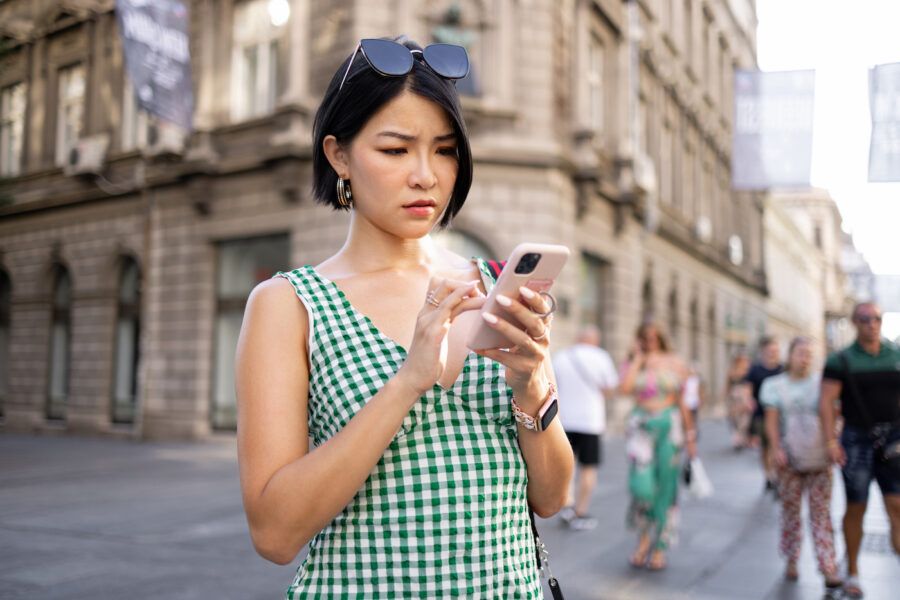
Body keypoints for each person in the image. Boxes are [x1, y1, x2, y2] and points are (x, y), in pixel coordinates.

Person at [234, 37, 574, 598]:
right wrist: (407, 382)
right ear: (338, 155)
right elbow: (274, 532)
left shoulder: (493, 284)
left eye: (444, 149)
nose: (426, 175)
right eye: (396, 150)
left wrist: (531, 385)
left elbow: (551, 498)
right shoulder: (289, 304)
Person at [820, 302, 900, 599]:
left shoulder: (895, 355)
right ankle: (852, 571)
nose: (872, 324)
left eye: (877, 318)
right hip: (856, 440)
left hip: (894, 439)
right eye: (865, 319)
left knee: (897, 506)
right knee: (856, 507)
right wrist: (830, 441)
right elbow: (826, 402)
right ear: (855, 322)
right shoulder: (840, 360)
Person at [761, 337, 841, 590]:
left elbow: (835, 416)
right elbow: (771, 421)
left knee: (821, 513)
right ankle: (791, 558)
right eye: (800, 353)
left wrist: (832, 444)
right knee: (790, 512)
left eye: (809, 354)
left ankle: (828, 565)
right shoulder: (774, 385)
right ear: (790, 355)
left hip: (819, 457)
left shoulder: (823, 385)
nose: (805, 358)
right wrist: (776, 449)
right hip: (790, 458)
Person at [619, 322, 697, 571]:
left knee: (665, 488)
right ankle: (643, 539)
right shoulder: (634, 361)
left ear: (661, 338)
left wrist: (691, 435)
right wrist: (638, 360)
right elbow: (625, 389)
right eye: (645, 337)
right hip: (641, 427)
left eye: (654, 337)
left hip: (669, 427)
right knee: (641, 488)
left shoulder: (675, 362)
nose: (650, 340)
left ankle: (660, 545)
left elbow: (684, 401)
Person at [553, 325, 620, 530]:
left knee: (566, 467)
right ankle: (580, 511)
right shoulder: (601, 357)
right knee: (588, 469)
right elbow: (610, 389)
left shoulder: (561, 356)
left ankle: (566, 507)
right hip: (590, 421)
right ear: (595, 340)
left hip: (564, 420)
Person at [743, 336, 784, 492]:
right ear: (764, 351)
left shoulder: (782, 369)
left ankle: (777, 473)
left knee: (778, 445)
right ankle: (768, 475)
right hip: (761, 413)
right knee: (765, 447)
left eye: (776, 351)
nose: (773, 353)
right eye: (770, 351)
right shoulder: (756, 369)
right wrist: (748, 400)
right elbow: (747, 387)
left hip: (780, 415)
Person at [726, 351, 753, 450]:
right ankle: (737, 437)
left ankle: (742, 438)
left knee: (745, 419)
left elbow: (750, 386)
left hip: (744, 396)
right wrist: (727, 398)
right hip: (734, 398)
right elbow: (727, 386)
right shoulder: (732, 372)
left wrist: (749, 398)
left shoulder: (748, 371)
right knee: (734, 419)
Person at [681, 361, 706, 438]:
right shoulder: (685, 379)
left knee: (694, 416)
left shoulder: (697, 379)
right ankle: (689, 430)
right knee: (687, 417)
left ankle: (694, 430)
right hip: (686, 401)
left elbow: (700, 390)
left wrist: (701, 399)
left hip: (694, 401)